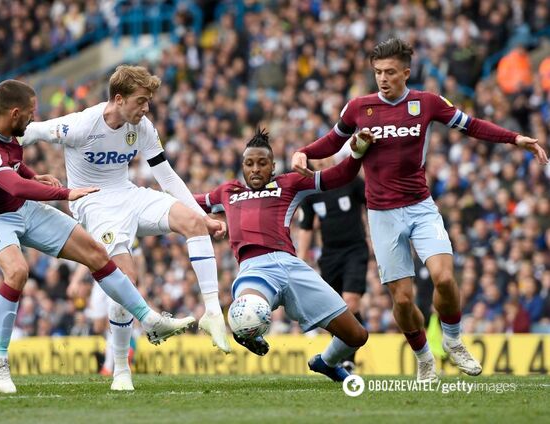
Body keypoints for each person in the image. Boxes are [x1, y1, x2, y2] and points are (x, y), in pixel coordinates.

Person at [291, 38, 549, 381]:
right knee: (402, 300)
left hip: (420, 207)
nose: (383, 78)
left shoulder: (426, 104)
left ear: (406, 73)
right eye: (378, 72)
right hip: (382, 215)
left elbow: (472, 125)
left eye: (390, 72)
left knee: (444, 277)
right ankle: (424, 357)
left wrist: (515, 138)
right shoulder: (358, 107)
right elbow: (333, 140)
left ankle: (454, 341)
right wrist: (303, 152)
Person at [0, 79, 195, 394]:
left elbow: (13, 167)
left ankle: (150, 320)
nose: (34, 117)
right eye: (30, 113)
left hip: (24, 209)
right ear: (15, 112)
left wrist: (33, 175)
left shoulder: (6, 128)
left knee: (97, 253)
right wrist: (65, 191)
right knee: (17, 271)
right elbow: (12, 184)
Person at [20, 65, 231, 391]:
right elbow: (30, 131)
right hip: (94, 204)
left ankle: (213, 313)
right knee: (125, 278)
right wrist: (1, 151)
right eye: (141, 101)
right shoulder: (80, 124)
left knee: (193, 223)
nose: (146, 108)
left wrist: (201, 214)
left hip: (129, 195)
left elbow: (167, 176)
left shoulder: (142, 127)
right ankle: (120, 369)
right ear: (118, 99)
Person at [195, 128, 370, 382]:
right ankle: (247, 332)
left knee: (357, 336)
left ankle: (326, 362)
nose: (255, 169)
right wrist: (149, 196)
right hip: (255, 269)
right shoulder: (227, 192)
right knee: (246, 311)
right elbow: (189, 202)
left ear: (273, 166)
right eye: (249, 163)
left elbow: (339, 176)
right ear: (242, 167)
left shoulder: (289, 183)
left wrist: (356, 155)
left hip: (292, 267)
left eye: (262, 163)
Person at [297, 156, 368, 373]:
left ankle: (348, 360)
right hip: (329, 257)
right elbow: (306, 226)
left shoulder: (352, 181)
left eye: (323, 157)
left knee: (351, 302)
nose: (319, 163)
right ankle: (340, 356)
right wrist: (300, 259)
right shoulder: (311, 193)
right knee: (335, 312)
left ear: (334, 157)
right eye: (315, 160)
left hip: (355, 250)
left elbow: (373, 206)